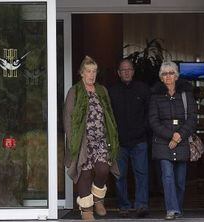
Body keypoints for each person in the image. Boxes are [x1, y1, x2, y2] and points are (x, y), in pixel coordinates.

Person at [63, 56, 119, 220]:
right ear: (81, 73)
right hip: (82, 141)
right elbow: (68, 117)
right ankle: (86, 210)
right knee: (84, 173)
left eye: (94, 71)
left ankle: (97, 198)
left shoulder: (102, 90)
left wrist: (112, 134)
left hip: (101, 138)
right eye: (88, 71)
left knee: (103, 168)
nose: (91, 75)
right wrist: (73, 141)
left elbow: (109, 114)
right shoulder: (74, 91)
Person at [148, 61, 196, 220]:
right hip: (163, 143)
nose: (168, 76)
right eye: (164, 74)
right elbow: (153, 121)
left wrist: (179, 136)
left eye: (171, 73)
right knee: (167, 177)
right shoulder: (155, 96)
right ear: (161, 78)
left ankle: (177, 208)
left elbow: (192, 119)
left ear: (176, 76)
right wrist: (171, 136)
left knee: (180, 181)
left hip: (181, 142)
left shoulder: (185, 95)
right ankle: (171, 209)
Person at [109, 59, 151, 218]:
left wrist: (144, 130)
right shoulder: (112, 92)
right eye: (123, 70)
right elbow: (109, 117)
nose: (126, 72)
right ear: (118, 73)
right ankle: (124, 206)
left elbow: (150, 113)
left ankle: (141, 205)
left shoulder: (143, 89)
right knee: (120, 176)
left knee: (141, 175)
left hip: (139, 141)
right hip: (119, 143)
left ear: (133, 71)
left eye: (129, 69)